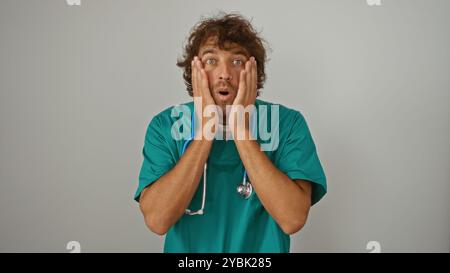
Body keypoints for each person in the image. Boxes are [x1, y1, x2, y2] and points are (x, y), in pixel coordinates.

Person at [134, 13, 327, 253]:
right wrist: (206, 130)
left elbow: (293, 219)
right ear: (195, 70)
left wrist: (241, 130)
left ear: (253, 70)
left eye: (236, 61)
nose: (224, 74)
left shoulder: (288, 123)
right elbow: (157, 220)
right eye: (211, 60)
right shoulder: (166, 125)